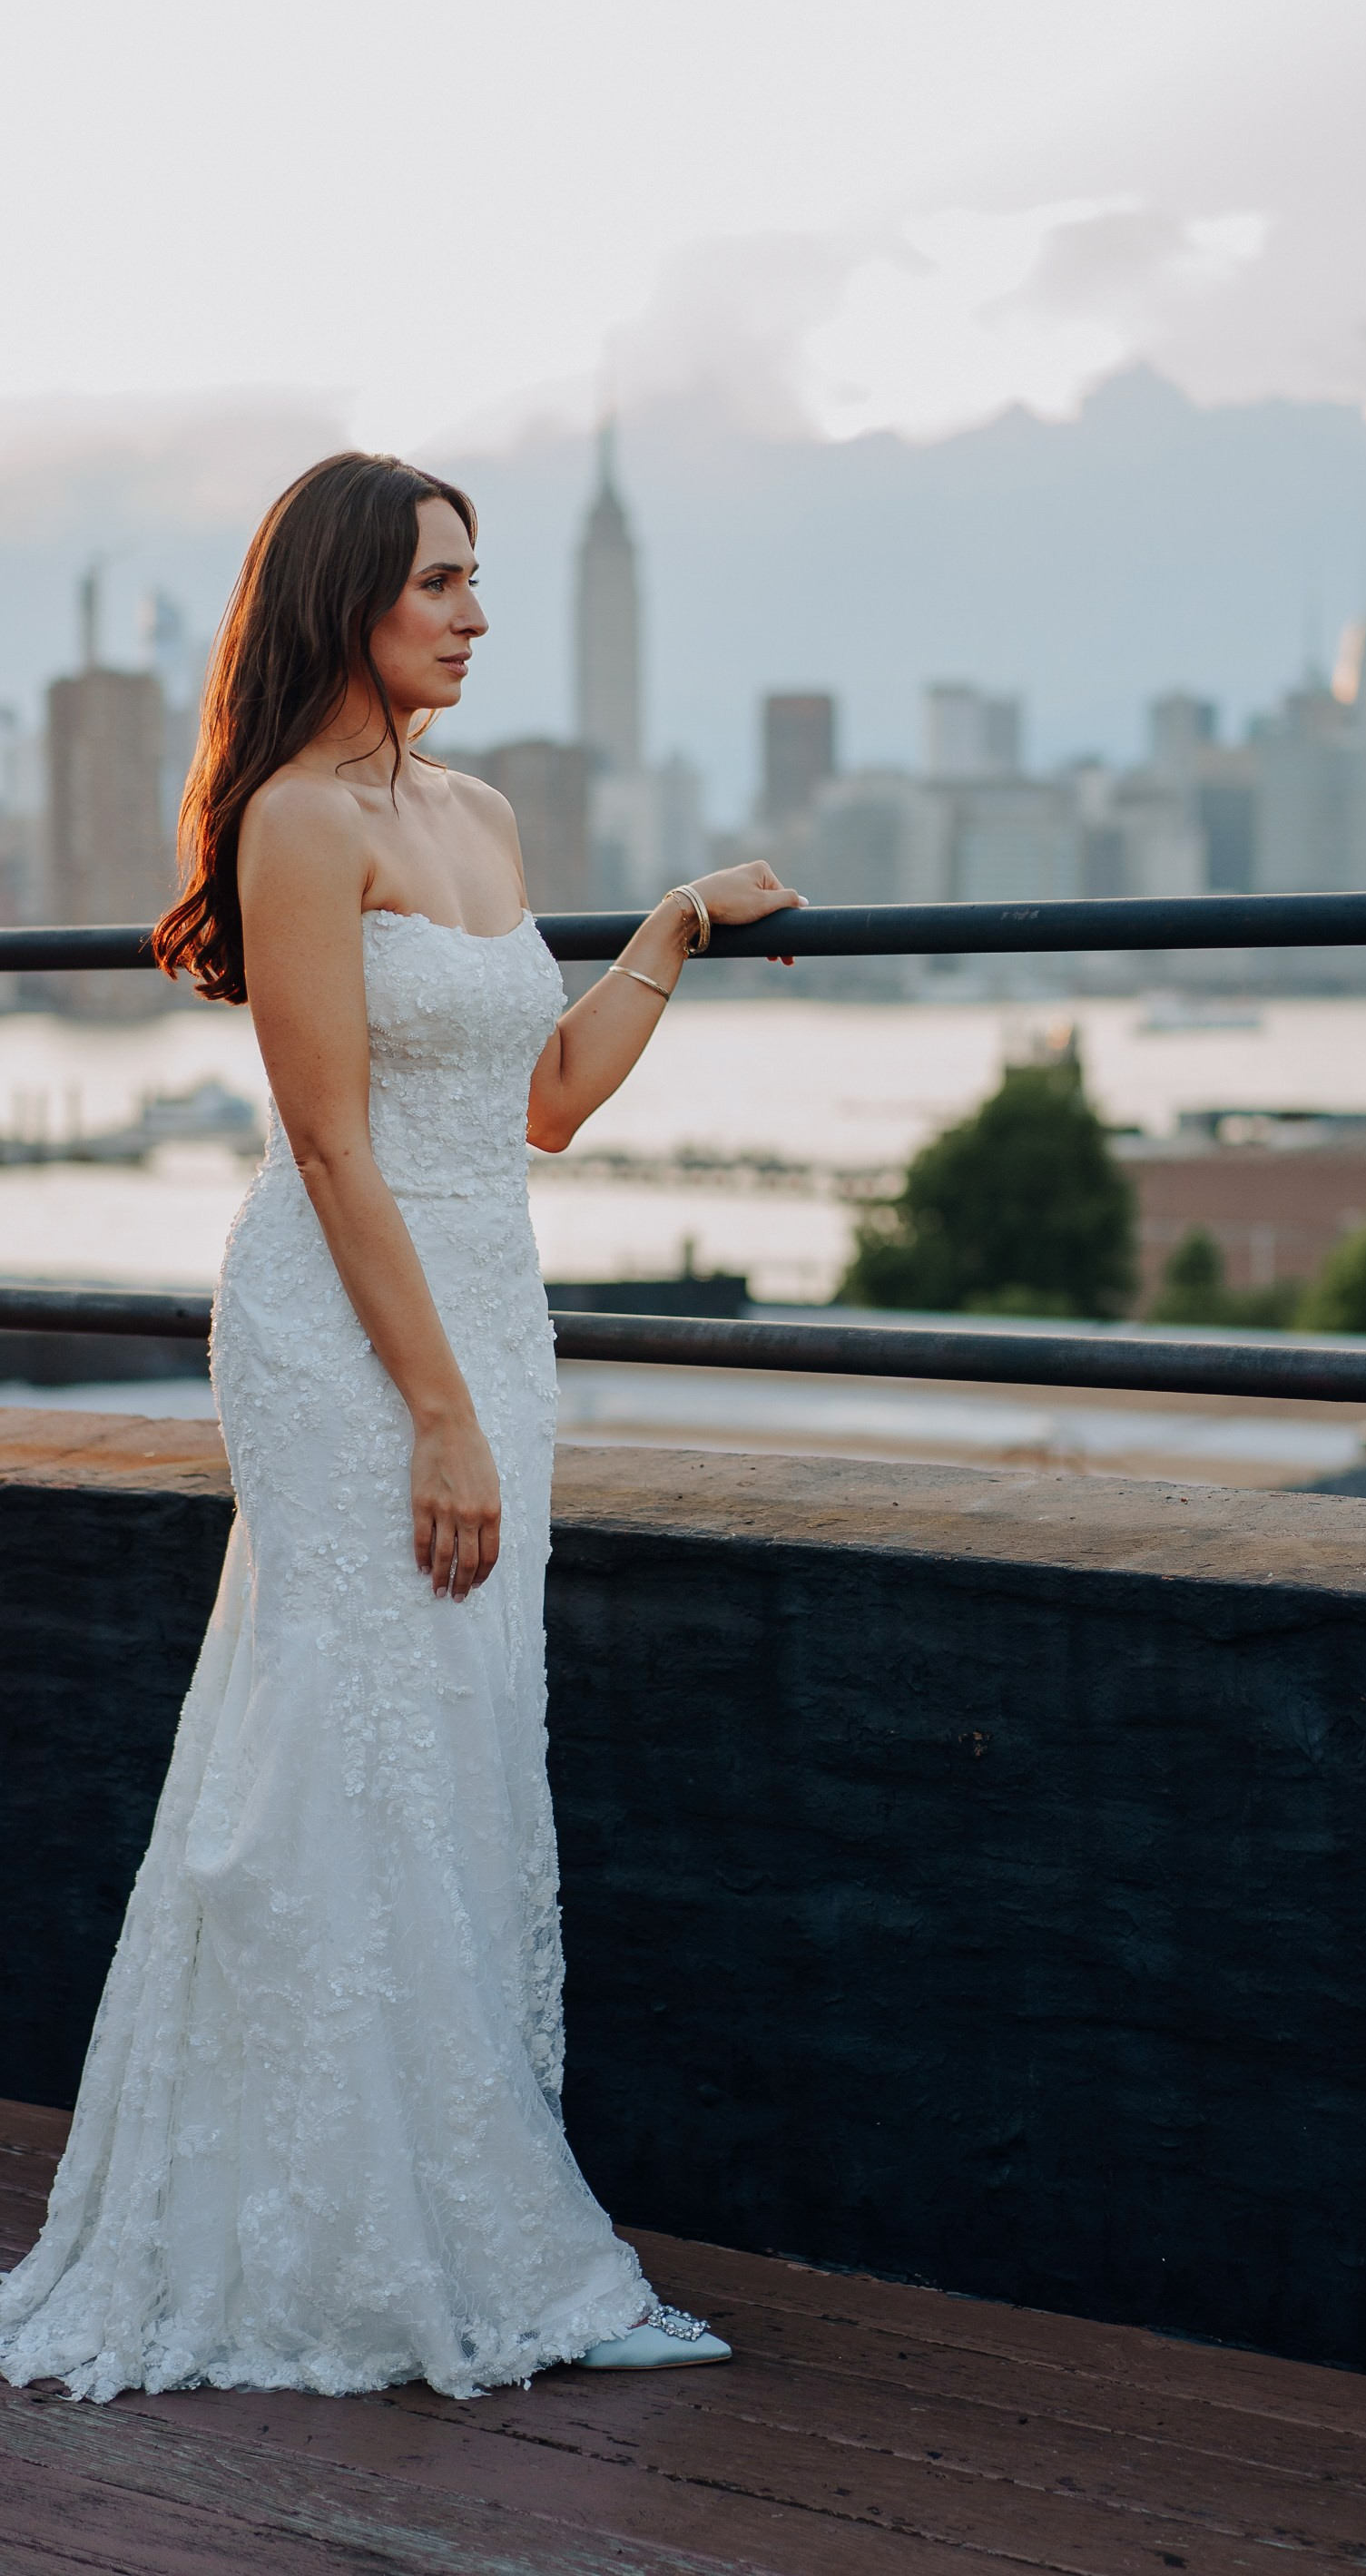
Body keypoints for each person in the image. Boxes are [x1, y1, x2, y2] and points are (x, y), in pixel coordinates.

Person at [0, 451, 802, 2402]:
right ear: (345, 600)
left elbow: (535, 1103)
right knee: (338, 1752)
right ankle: (360, 2243)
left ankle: (433, 2195)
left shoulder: (483, 812)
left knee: (448, 1759)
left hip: (488, 1319)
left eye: (478, 578)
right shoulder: (290, 824)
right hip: (351, 1338)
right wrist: (434, 1413)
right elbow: (334, 1144)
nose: (473, 611)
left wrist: (676, 925)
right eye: (439, 581)